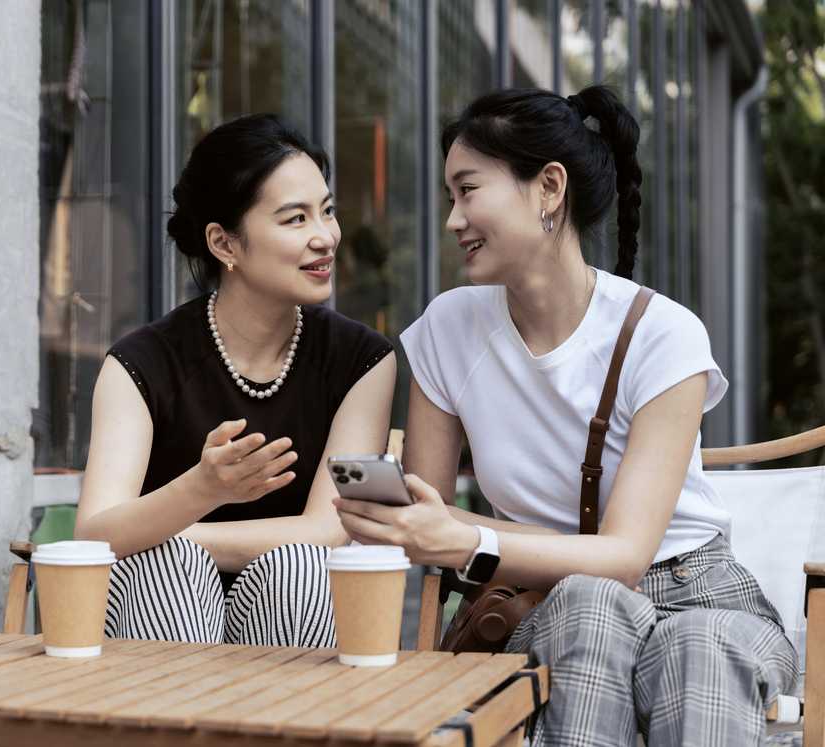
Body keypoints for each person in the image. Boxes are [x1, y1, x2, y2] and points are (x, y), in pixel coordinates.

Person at [333, 86, 797, 745]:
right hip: (544, 602)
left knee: (695, 646)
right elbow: (426, 511)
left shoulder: (663, 334)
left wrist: (466, 536)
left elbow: (626, 554)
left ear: (549, 188)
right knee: (588, 602)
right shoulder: (447, 331)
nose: (453, 220)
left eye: (468, 191)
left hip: (700, 594)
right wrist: (404, 521)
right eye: (450, 198)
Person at [75, 113, 396, 647]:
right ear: (225, 245)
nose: (326, 237)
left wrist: (176, 531)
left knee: (299, 567)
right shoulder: (139, 364)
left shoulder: (364, 360)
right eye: (296, 219)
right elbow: (94, 533)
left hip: (297, 602)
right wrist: (200, 490)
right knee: (169, 566)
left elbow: (329, 530)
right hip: (152, 617)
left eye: (328, 211)